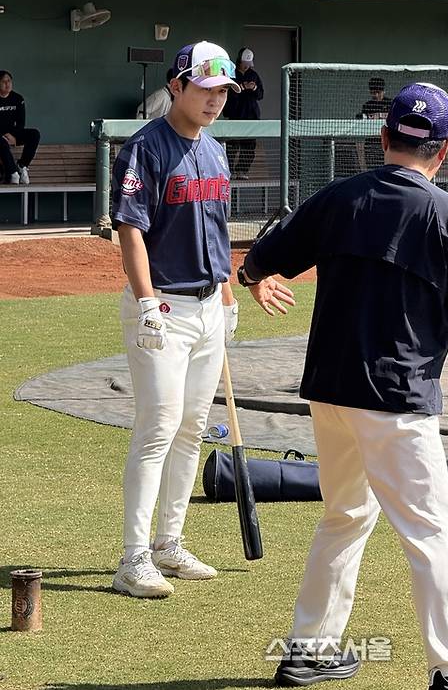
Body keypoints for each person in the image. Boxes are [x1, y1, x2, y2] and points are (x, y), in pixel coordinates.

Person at [238, 83, 448, 690]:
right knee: (430, 532)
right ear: (444, 149)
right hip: (396, 398)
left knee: (345, 514)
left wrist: (256, 280)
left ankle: (308, 650)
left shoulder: (340, 196)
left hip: (329, 390)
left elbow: (260, 260)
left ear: (384, 135)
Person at [110, 40, 294, 599]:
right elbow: (130, 229)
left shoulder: (213, 153)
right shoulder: (146, 149)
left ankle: (169, 542)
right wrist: (145, 301)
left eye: (223, 91)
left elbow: (214, 230)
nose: (216, 99)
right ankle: (133, 557)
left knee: (192, 427)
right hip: (162, 306)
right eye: (206, 88)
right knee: (157, 428)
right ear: (177, 86)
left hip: (209, 306)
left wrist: (230, 295)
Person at [224, 47, 264, 178]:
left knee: (249, 147)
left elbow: (260, 95)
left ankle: (242, 171)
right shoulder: (232, 74)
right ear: (239, 61)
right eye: (244, 64)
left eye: (249, 64)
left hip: (251, 115)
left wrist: (254, 87)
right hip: (235, 114)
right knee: (232, 146)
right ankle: (229, 171)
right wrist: (242, 87)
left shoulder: (254, 75)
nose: (247, 67)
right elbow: (229, 93)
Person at [0, 70, 40, 185]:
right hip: (0, 136)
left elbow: (21, 122)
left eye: (9, 81)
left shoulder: (18, 98)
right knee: (1, 141)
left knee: (34, 134)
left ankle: (22, 165)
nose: (7, 84)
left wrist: (14, 137)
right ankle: (13, 172)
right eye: (3, 81)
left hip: (13, 133)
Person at [355, 76, 391, 171]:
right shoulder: (367, 106)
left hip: (387, 144)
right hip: (372, 145)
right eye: (373, 92)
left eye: (378, 92)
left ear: (383, 91)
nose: (376, 95)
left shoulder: (390, 104)